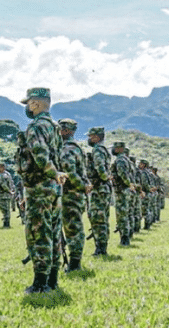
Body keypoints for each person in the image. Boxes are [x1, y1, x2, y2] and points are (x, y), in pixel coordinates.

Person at [17, 87, 66, 293]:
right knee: (53, 233)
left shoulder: (36, 127)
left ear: (35, 103)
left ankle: (40, 283)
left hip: (40, 186)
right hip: (53, 189)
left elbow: (40, 155)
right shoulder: (54, 127)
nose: (28, 107)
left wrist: (52, 173)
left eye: (28, 103)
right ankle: (52, 280)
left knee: (38, 234)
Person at [58, 118, 91, 272]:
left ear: (66, 130)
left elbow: (69, 172)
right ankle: (74, 261)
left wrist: (82, 186)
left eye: (60, 129)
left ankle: (75, 264)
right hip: (75, 194)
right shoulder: (77, 147)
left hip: (70, 194)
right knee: (74, 226)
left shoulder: (67, 148)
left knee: (72, 227)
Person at [86, 127, 111, 255]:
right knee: (102, 218)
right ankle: (102, 246)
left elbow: (100, 168)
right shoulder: (104, 150)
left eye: (91, 136)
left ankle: (101, 249)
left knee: (98, 218)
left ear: (96, 137)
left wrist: (103, 178)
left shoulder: (97, 150)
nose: (89, 138)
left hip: (99, 187)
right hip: (103, 187)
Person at [110, 142, 135, 246]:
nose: (113, 149)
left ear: (120, 149)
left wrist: (129, 184)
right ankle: (126, 237)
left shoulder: (120, 159)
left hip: (122, 191)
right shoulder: (126, 159)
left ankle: (125, 239)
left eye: (115, 148)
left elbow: (122, 174)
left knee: (122, 216)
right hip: (125, 190)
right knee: (125, 214)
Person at [0, 163, 14, 228]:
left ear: (2, 167)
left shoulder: (2, 175)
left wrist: (9, 191)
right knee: (6, 209)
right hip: (7, 194)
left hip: (4, 194)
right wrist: (11, 191)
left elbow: (3, 185)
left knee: (4, 209)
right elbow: (11, 183)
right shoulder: (8, 174)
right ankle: (6, 222)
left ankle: (6, 223)